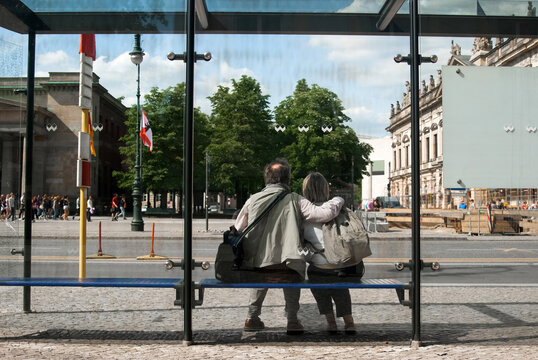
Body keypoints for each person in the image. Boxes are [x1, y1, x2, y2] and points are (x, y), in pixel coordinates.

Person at [233, 158, 344, 334]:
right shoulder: (296, 200)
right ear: (288, 180)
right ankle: (292, 321)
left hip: (258, 265)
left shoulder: (252, 200)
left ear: (266, 179)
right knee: (293, 267)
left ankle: (251, 317)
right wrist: (338, 200)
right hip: (287, 264)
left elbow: (237, 229)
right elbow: (323, 214)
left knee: (261, 272)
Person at [302, 172, 356, 334]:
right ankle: (349, 322)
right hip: (340, 264)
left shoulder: (305, 213)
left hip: (318, 267)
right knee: (340, 289)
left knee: (315, 277)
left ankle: (331, 322)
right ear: (326, 188)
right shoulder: (335, 207)